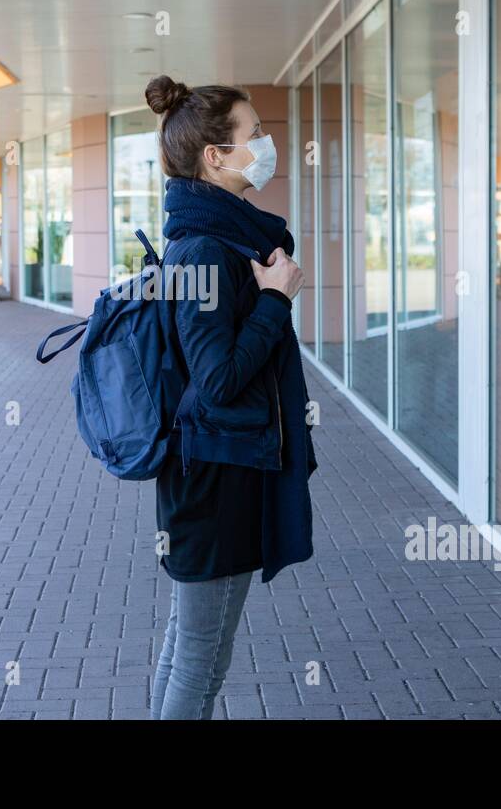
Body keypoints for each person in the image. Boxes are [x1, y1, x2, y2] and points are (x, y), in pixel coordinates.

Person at [144, 74, 317, 720]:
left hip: (218, 468)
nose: (267, 145)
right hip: (215, 478)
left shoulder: (221, 240)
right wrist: (276, 298)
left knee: (193, 646)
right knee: (201, 656)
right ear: (216, 156)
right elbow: (216, 381)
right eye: (255, 134)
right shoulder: (207, 251)